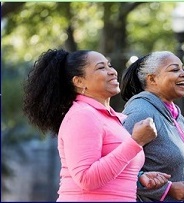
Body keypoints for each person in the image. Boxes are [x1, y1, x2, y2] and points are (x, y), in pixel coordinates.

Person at [22, 49, 171, 201]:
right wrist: (136, 142)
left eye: (109, 65)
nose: (112, 71)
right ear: (79, 81)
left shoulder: (109, 118)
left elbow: (111, 168)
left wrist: (138, 177)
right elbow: (86, 178)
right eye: (101, 67)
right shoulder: (82, 115)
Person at [120, 51, 184, 202]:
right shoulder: (141, 112)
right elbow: (117, 167)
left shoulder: (175, 114)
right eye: (175, 69)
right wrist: (166, 190)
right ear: (152, 79)